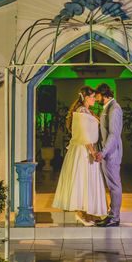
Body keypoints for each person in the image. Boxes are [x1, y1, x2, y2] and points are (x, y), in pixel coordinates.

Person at [52, 86, 107, 226]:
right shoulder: (81, 111)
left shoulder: (86, 111)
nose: (95, 99)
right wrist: (92, 151)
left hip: (88, 149)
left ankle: (89, 213)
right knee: (83, 181)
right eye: (93, 96)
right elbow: (84, 134)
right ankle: (81, 213)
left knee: (88, 181)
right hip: (84, 150)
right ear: (86, 97)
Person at [93, 83, 123, 227]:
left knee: (114, 185)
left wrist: (103, 152)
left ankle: (114, 218)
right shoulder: (107, 108)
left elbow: (113, 134)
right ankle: (111, 215)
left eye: (96, 94)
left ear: (103, 94)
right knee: (111, 185)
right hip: (107, 152)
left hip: (112, 153)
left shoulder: (114, 108)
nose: (95, 97)